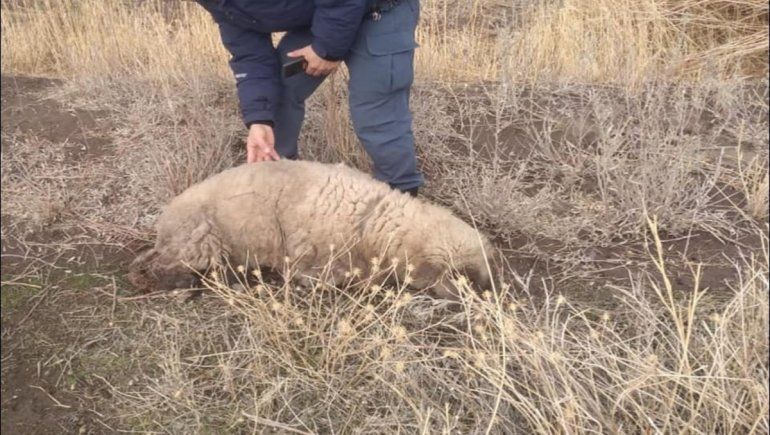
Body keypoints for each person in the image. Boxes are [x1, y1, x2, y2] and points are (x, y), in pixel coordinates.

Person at [196, 0, 424, 196]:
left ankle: (401, 199)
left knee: (375, 111)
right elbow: (251, 55)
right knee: (277, 91)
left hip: (381, 11)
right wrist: (260, 120)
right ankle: (278, 184)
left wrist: (327, 49)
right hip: (324, 15)